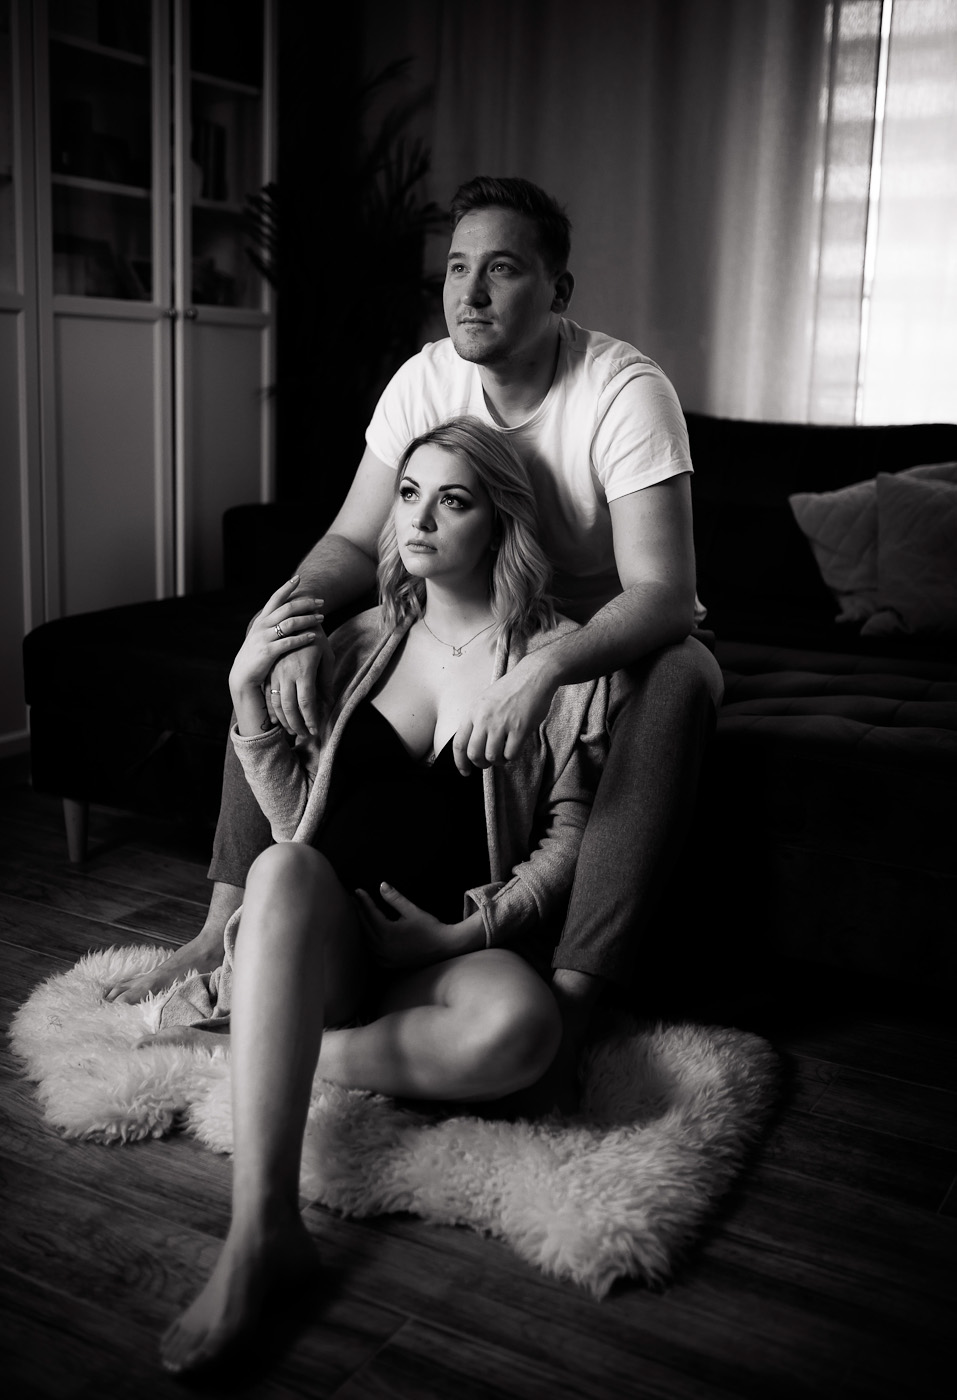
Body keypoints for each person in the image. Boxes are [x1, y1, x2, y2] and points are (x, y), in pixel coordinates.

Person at [106, 174, 722, 1053]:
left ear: (557, 290)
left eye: (501, 268)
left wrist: (542, 670)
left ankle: (579, 987)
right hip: (466, 607)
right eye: (457, 267)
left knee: (685, 673)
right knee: (278, 629)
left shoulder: (621, 389)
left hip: (588, 633)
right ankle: (220, 929)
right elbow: (352, 540)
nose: (470, 292)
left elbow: (663, 593)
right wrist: (295, 623)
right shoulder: (425, 378)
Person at [152, 416, 608, 1373]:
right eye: (407, 494)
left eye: (452, 500)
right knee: (280, 868)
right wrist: (246, 700)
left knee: (524, 1033)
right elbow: (297, 821)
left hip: (447, 954)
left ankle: (265, 1044)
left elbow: (571, 836)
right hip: (326, 937)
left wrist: (461, 935)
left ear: (498, 521)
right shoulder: (357, 640)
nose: (419, 519)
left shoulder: (558, 663)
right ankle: (262, 1232)